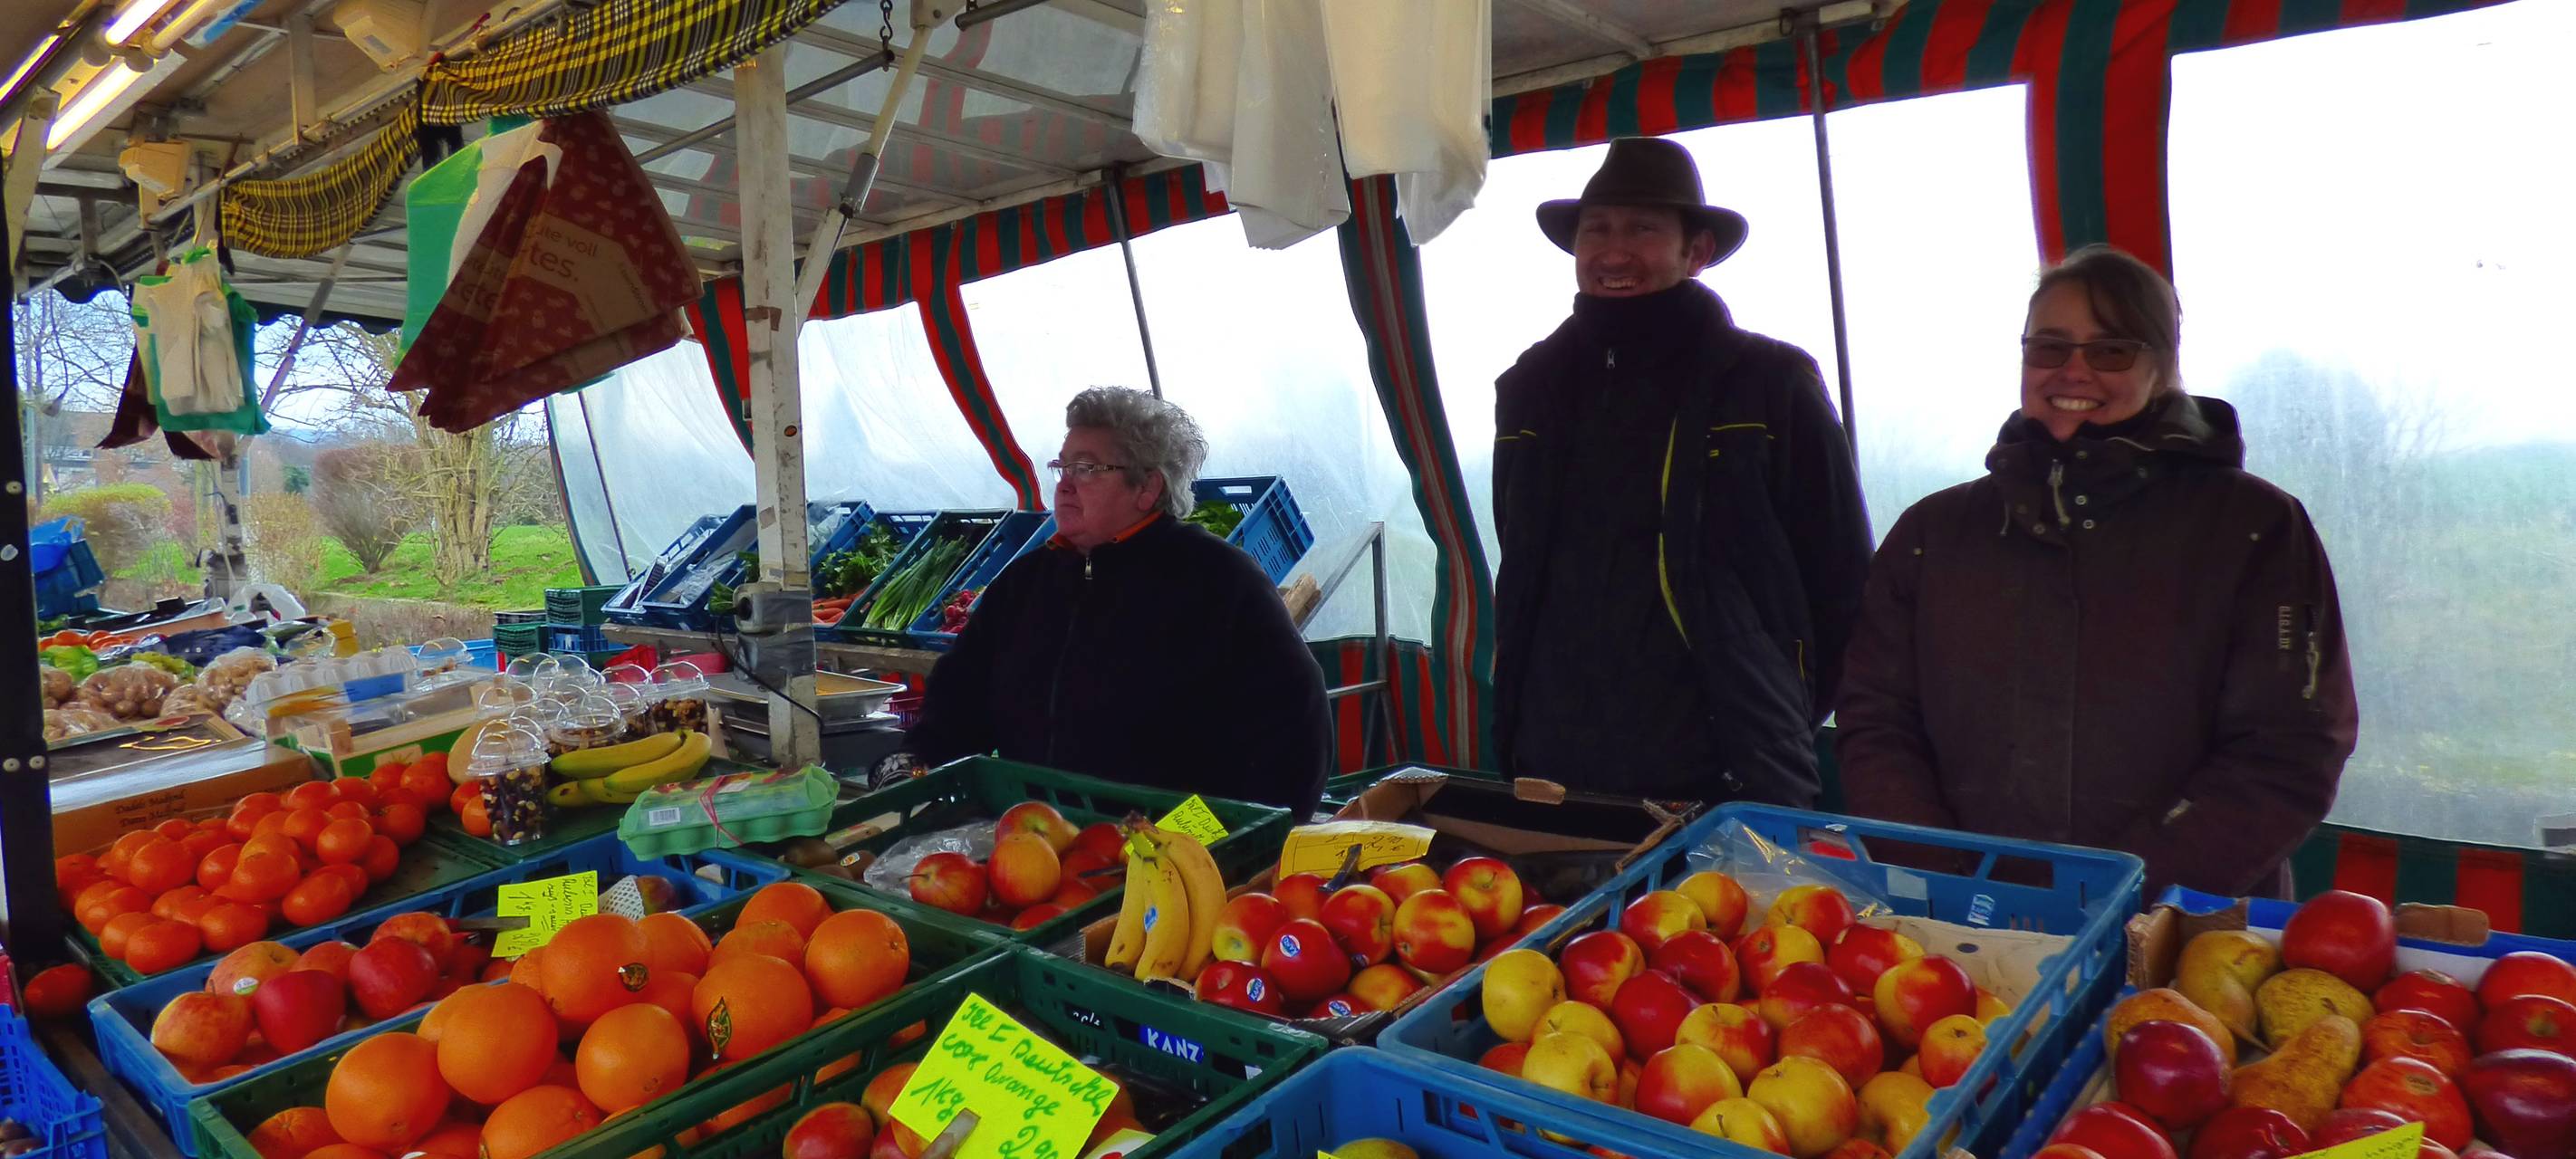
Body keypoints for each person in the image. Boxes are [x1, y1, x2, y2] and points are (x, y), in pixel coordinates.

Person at [1835, 245, 2358, 897]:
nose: (2074, 370)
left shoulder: (2254, 528)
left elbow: (2291, 746)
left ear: (2162, 367)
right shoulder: (1933, 533)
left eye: (2111, 351)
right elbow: (1877, 721)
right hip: (1964, 925)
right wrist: (1947, 880)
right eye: (2049, 348)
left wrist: (2119, 892)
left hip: (2183, 925)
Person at [1491, 137, 1873, 806]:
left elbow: (1844, 580)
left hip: (1730, 768)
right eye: (1597, 229)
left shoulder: (1770, 383)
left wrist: (1780, 708)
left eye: (1642, 229)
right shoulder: (1530, 387)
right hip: (1555, 762)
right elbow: (1520, 558)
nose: (1614, 252)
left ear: (1697, 251)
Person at [900, 387, 1332, 816]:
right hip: (1038, 840)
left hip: (1167, 845)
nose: (1065, 485)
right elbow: (959, 701)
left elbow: (1294, 736)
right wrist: (912, 766)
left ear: (1147, 487)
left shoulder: (1220, 582)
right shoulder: (1025, 584)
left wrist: (1199, 837)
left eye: (1086, 468)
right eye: (1062, 466)